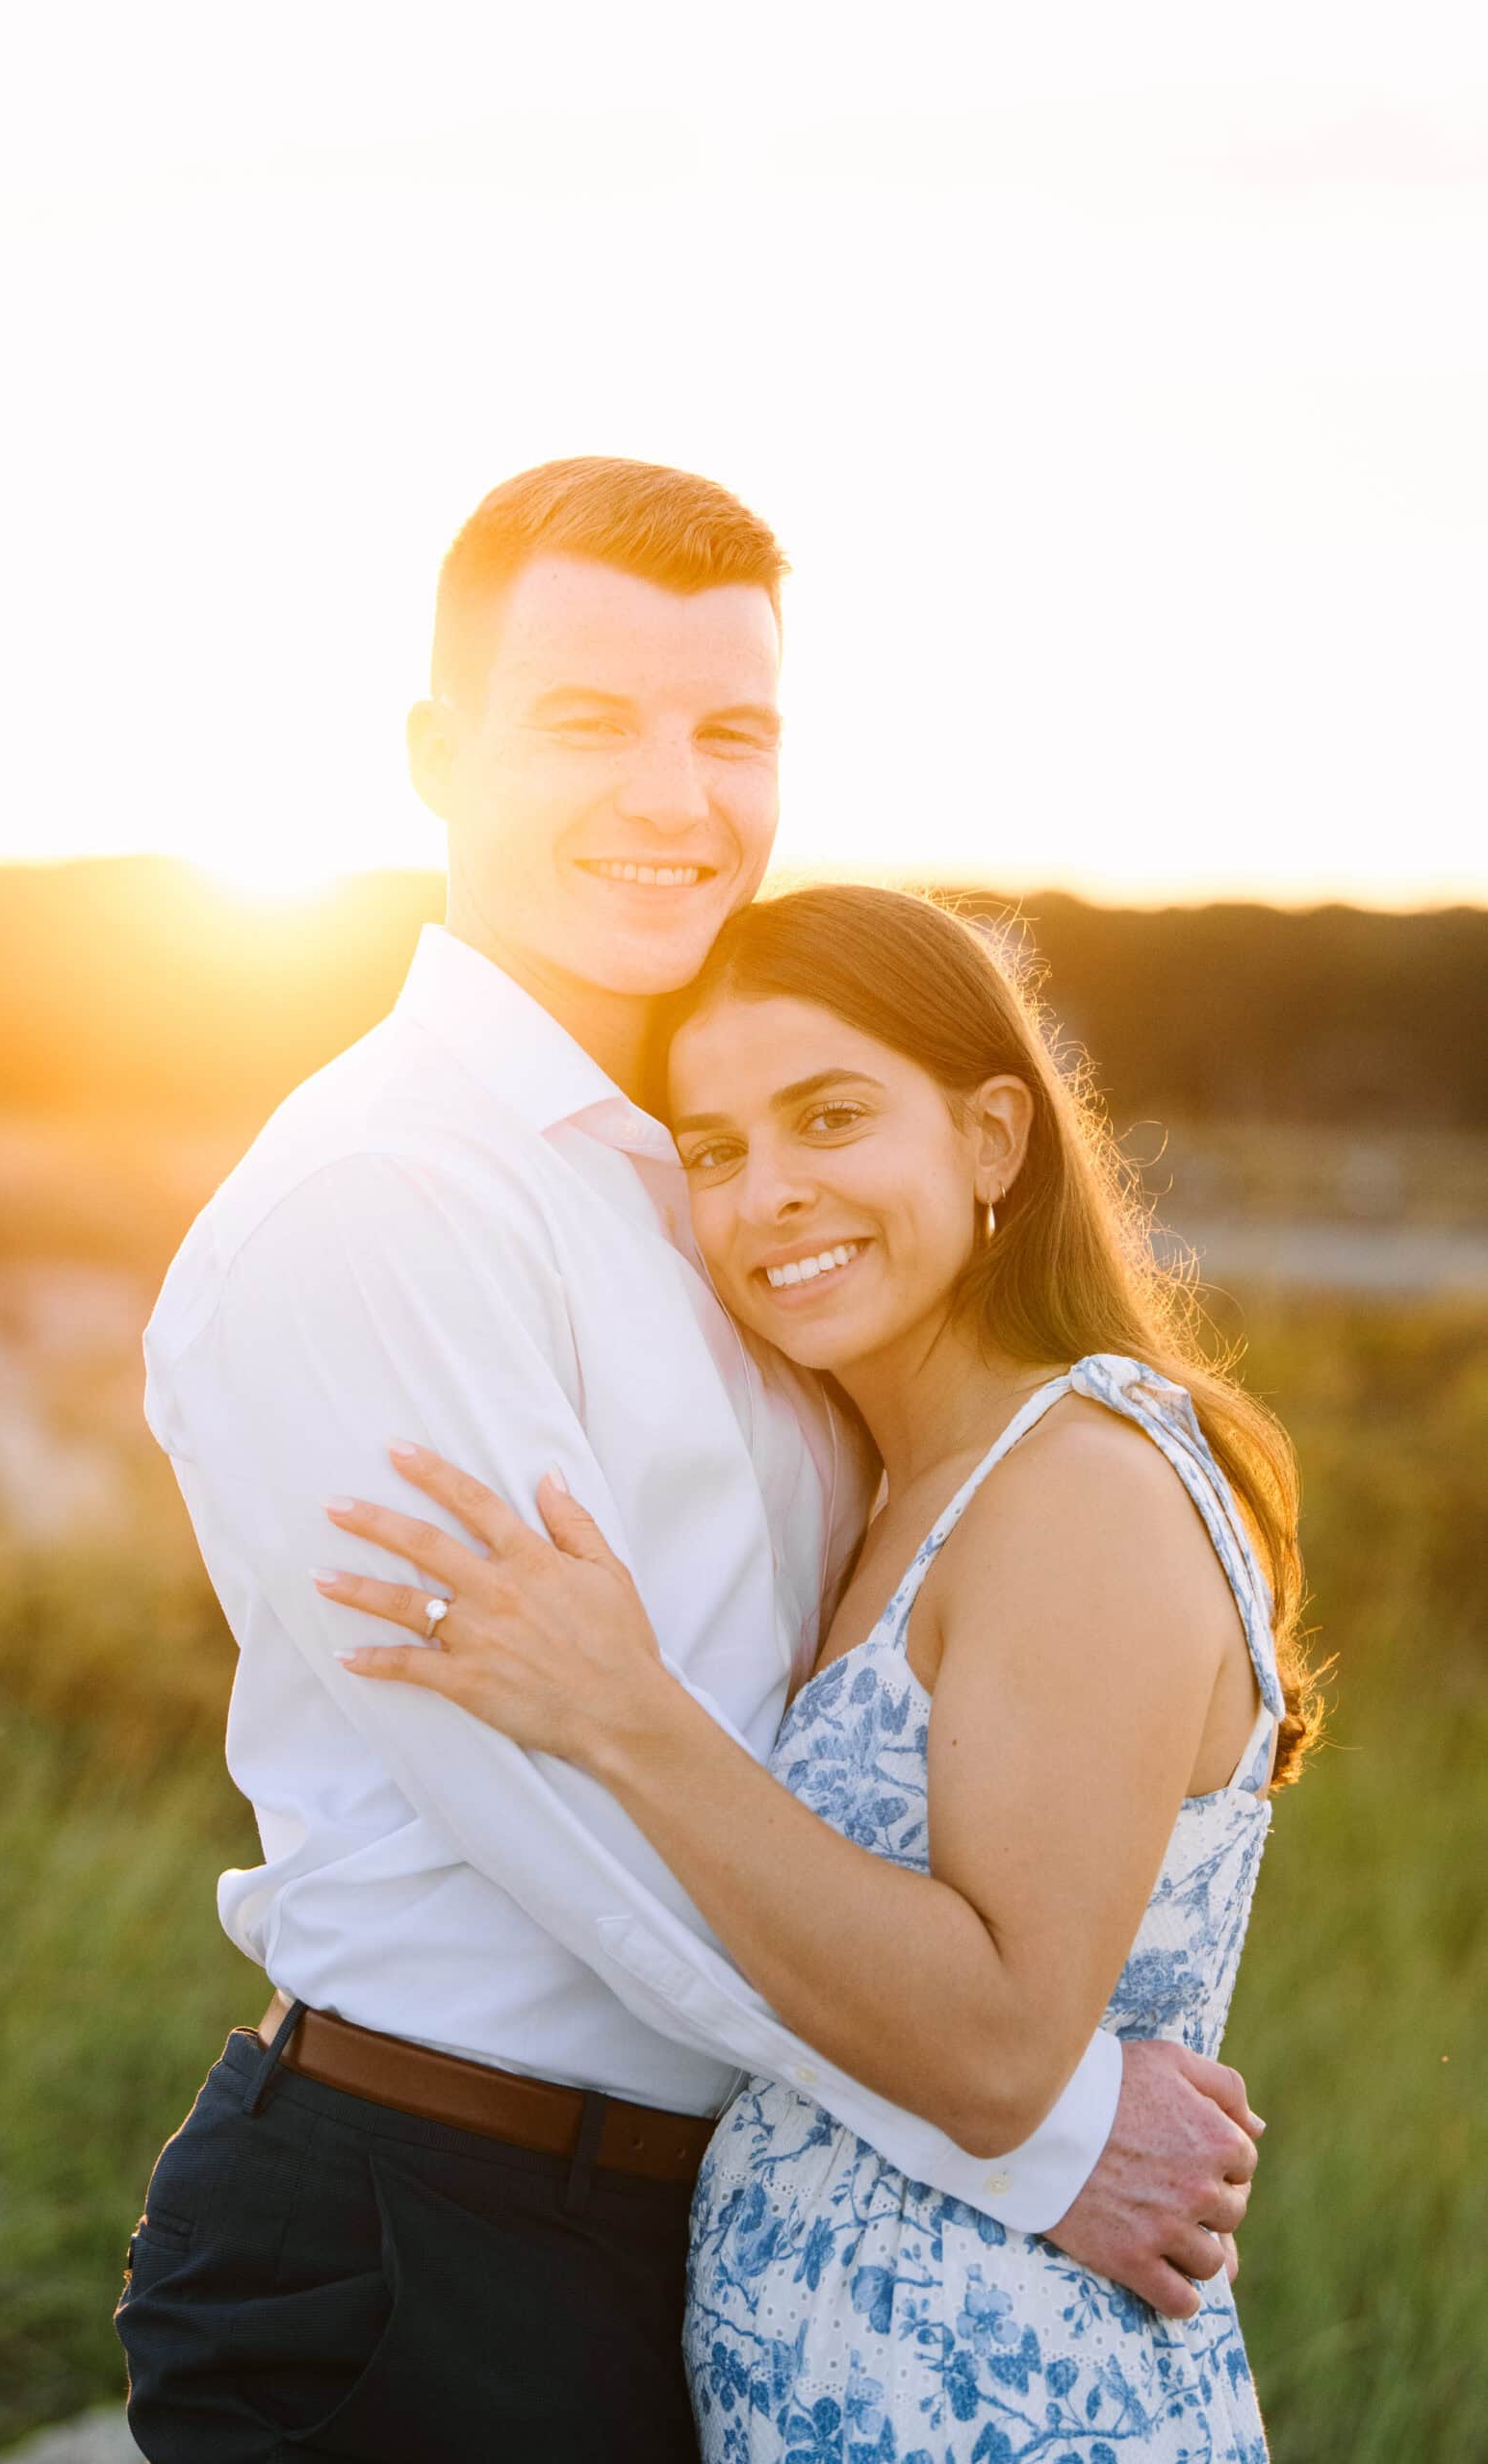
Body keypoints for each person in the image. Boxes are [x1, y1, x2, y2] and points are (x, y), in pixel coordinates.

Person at [119, 460, 1266, 2464]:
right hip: (433, 2227)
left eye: (730, 730)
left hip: (684, 2236)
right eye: (589, 721)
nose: (675, 796)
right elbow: (564, 1809)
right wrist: (1036, 2129)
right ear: (435, 754)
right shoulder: (389, 1202)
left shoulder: (698, 1189)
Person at [323, 881, 1319, 2461]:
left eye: (831, 1118)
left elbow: (1001, 2047)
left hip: (1010, 2407)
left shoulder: (1079, 1486)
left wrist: (623, 1715)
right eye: (712, 1150)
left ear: (992, 1141)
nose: (767, 1194)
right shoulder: (888, 1483)